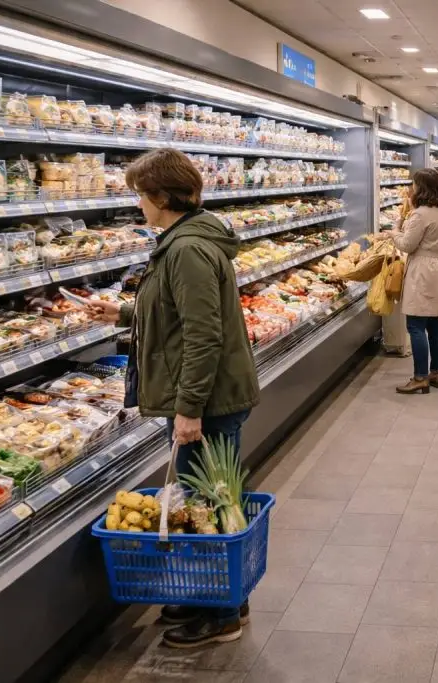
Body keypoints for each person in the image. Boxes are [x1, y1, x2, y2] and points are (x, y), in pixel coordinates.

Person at [86, 148, 259, 647]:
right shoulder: (186, 239)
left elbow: (202, 335)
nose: (138, 204)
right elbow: (172, 311)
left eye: (141, 194)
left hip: (209, 400)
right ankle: (223, 596)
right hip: (212, 394)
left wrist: (188, 409)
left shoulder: (186, 249)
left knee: (207, 501)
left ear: (161, 196)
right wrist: (121, 314)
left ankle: (221, 614)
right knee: (212, 496)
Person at [374, 169, 438, 394]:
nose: (413, 189)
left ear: (423, 187)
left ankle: (420, 377)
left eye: (415, 185)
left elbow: (407, 245)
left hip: (424, 271)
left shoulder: (421, 214)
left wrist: (392, 232)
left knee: (416, 326)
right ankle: (436, 373)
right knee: (435, 325)